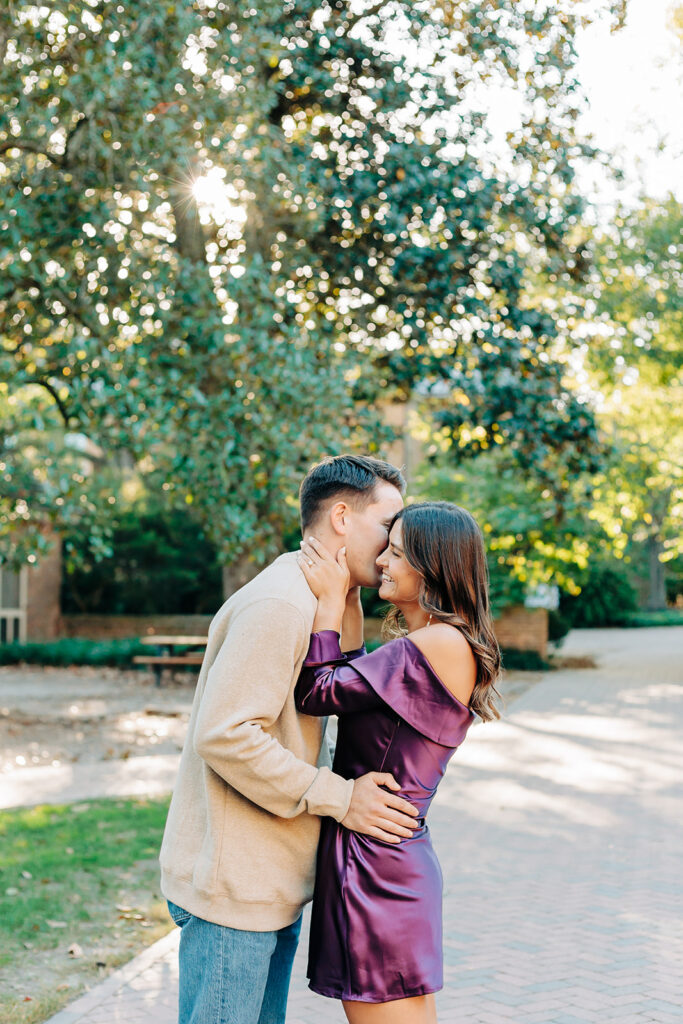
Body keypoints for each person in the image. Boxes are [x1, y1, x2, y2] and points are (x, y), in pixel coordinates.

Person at [160, 455, 423, 1024]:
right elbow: (227, 735)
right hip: (235, 891)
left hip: (269, 881)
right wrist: (341, 798)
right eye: (388, 526)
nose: (392, 545)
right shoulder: (281, 602)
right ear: (343, 518)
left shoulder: (330, 600)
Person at [295, 500, 501, 1024]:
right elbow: (360, 692)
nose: (382, 559)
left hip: (376, 864)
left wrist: (327, 605)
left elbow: (317, 691)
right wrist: (351, 611)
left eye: (397, 552)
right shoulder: (435, 644)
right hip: (385, 855)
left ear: (432, 568)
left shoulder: (437, 644)